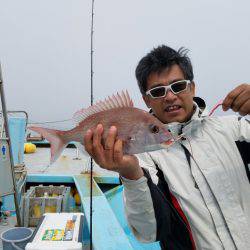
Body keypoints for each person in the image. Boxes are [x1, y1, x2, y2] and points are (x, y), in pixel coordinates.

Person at [84, 45, 250, 249]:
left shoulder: (235, 130)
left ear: (192, 88)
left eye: (178, 86)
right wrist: (132, 174)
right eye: (158, 91)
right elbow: (148, 232)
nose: (170, 96)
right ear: (146, 99)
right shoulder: (142, 158)